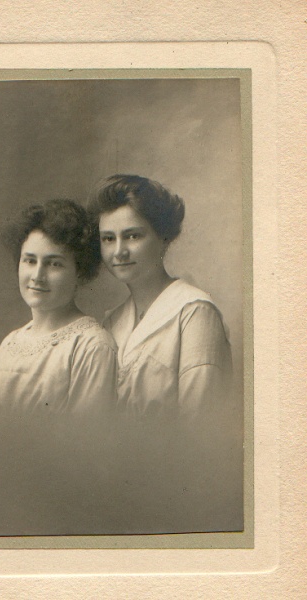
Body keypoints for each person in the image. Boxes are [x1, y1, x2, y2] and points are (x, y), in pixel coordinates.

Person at [88, 174, 243, 534]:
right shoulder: (111, 321)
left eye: (133, 236)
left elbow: (201, 427)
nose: (118, 251)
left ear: (163, 238)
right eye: (108, 239)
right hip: (116, 492)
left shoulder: (193, 310)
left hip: (176, 495)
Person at [0, 199, 118, 535]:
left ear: (79, 273)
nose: (37, 276)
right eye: (30, 260)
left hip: (52, 507)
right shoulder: (11, 341)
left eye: (54, 264)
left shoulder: (91, 344)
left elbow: (83, 450)